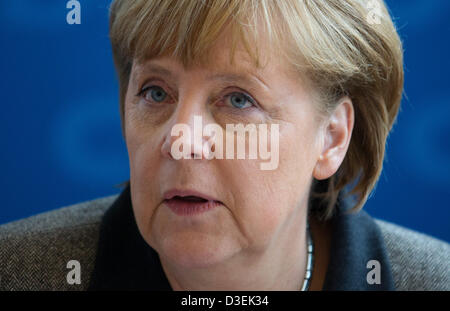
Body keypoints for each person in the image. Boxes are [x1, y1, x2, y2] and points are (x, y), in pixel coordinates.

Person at [0, 0, 448, 291]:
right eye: (156, 92)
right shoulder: (17, 272)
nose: (181, 140)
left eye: (238, 100)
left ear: (331, 138)